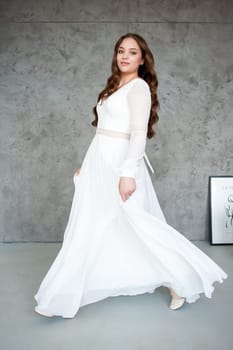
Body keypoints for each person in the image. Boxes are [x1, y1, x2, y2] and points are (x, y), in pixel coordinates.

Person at [34, 33, 227, 318]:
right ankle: (63, 297)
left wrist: (127, 173)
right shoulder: (114, 86)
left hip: (121, 164)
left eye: (132, 52)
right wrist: (87, 165)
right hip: (100, 161)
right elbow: (102, 132)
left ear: (142, 58)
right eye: (120, 51)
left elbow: (137, 134)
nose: (124, 56)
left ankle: (182, 282)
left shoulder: (138, 88)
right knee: (90, 222)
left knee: (139, 224)